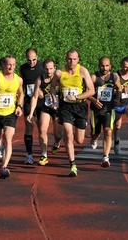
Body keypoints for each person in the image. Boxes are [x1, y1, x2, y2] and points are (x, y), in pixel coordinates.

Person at [50, 49, 95, 177]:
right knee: (69, 136)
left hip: (80, 107)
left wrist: (78, 97)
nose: (72, 62)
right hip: (65, 107)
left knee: (79, 140)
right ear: (66, 59)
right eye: (69, 59)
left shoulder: (83, 71)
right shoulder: (59, 73)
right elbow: (53, 87)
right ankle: (72, 165)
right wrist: (54, 100)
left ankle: (66, 133)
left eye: (74, 59)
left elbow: (91, 90)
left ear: (78, 59)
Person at [26, 59, 63, 165]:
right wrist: (31, 112)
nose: (49, 71)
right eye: (46, 69)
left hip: (58, 108)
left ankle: (57, 142)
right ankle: (44, 155)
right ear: (43, 69)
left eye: (51, 69)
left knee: (58, 134)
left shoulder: (60, 78)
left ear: (55, 68)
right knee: (42, 129)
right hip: (46, 107)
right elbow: (34, 96)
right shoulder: (40, 79)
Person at [87, 56, 121, 168]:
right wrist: (93, 99)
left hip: (108, 110)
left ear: (110, 66)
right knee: (95, 134)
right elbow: (86, 92)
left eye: (107, 65)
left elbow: (119, 88)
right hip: (95, 110)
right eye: (102, 65)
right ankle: (94, 139)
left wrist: (117, 99)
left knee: (108, 131)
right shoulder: (94, 77)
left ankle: (105, 157)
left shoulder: (114, 77)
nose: (104, 68)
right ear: (99, 65)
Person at [19, 48, 44, 165]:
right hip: (29, 101)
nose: (32, 62)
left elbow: (50, 81)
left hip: (42, 101)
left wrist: (43, 91)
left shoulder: (42, 66)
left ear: (37, 57)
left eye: (34, 60)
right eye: (29, 60)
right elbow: (21, 86)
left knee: (41, 128)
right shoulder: (23, 68)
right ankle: (29, 155)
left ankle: (44, 153)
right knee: (29, 126)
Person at [113, 57, 128, 154]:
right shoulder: (116, 75)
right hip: (118, 103)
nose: (127, 69)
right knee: (117, 125)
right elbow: (111, 90)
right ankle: (116, 141)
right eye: (125, 67)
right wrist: (121, 90)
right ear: (121, 66)